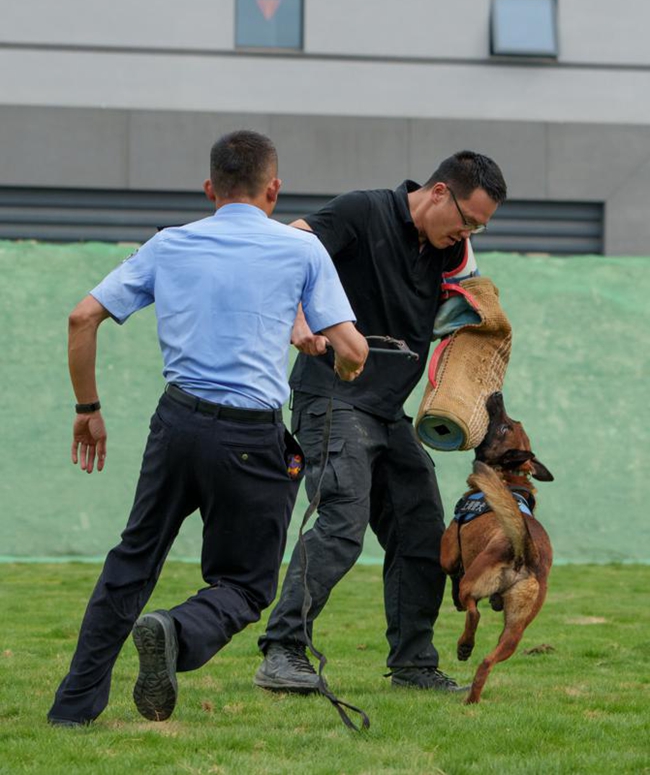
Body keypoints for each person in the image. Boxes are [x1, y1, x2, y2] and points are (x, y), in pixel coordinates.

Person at [47, 130, 369, 727]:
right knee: (246, 586)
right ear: (274, 190)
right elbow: (351, 350)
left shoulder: (169, 245)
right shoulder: (301, 251)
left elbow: (81, 317)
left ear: (209, 190)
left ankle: (73, 707)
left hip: (175, 424)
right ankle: (176, 631)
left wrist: (86, 409)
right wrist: (336, 352)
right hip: (250, 439)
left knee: (132, 561)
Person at [255, 151, 507, 693]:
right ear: (439, 192)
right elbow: (282, 248)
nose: (469, 233)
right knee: (342, 524)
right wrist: (298, 319)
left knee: (421, 531)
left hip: (389, 412)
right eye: (466, 220)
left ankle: (414, 666)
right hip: (333, 397)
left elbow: (462, 308)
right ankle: (283, 651)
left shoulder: (447, 252)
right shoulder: (361, 212)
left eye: (479, 227)